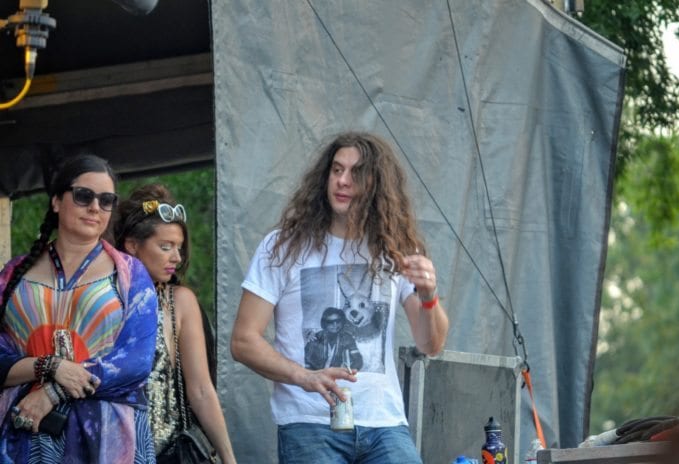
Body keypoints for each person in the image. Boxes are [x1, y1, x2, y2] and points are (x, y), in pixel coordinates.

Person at [231, 131, 449, 463]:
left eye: (355, 173)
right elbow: (243, 341)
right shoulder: (283, 246)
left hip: (384, 424)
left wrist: (429, 295)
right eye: (336, 170)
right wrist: (304, 376)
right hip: (310, 423)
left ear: (377, 185)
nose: (343, 181)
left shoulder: (397, 247)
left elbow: (431, 344)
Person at [0, 154, 158, 463]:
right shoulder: (14, 273)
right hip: (23, 428)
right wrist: (49, 366)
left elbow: (135, 362)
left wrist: (52, 392)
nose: (95, 207)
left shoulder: (130, 274)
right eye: (84, 196)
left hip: (106, 435)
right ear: (57, 201)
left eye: (106, 200)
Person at [114, 183, 237, 464]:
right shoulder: (104, 300)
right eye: (165, 246)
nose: (177, 258)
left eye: (179, 248)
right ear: (132, 245)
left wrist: (229, 459)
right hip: (111, 448)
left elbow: (202, 390)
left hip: (169, 453)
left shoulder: (178, 301)